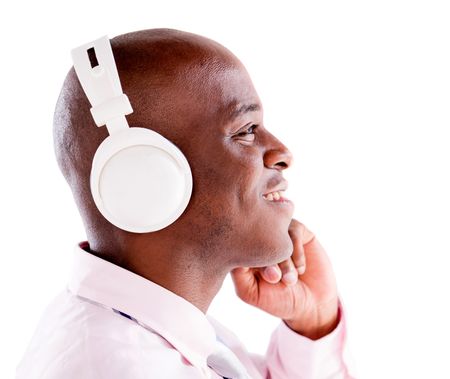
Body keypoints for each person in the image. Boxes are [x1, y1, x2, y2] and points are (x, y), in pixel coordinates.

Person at [16, 28, 352, 378]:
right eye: (246, 130)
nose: (283, 154)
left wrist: (314, 324)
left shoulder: (160, 335)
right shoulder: (126, 368)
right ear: (144, 176)